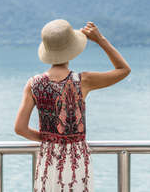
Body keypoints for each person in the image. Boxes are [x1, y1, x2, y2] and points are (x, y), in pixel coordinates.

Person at [14, 19, 131, 192]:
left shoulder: (33, 84)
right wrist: (100, 40)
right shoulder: (83, 81)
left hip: (48, 160)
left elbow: (20, 128)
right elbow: (123, 69)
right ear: (72, 49)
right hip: (76, 163)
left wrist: (48, 138)